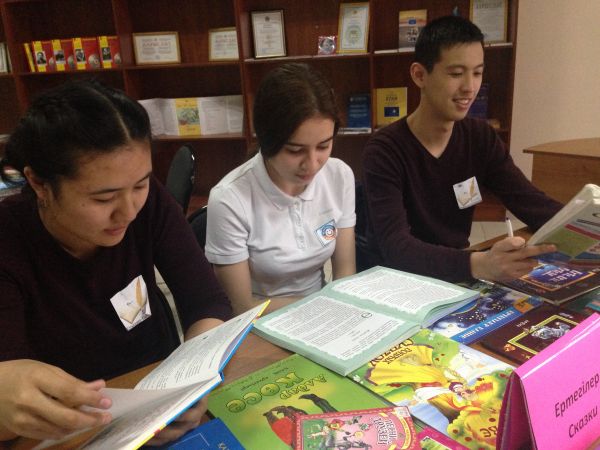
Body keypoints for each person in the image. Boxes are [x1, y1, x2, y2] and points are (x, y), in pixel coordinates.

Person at [0, 80, 231, 444]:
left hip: (157, 391)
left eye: (140, 184)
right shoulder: (9, 244)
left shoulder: (148, 202)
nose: (128, 212)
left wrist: (194, 381)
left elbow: (206, 302)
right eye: (103, 198)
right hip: (70, 429)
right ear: (39, 184)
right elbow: (12, 399)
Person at [362, 15, 563, 283]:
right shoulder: (385, 151)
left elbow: (530, 202)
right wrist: (479, 264)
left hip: (456, 275)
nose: (470, 88)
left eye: (477, 73)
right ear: (420, 75)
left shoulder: (480, 138)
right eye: (456, 74)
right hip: (396, 281)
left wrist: (585, 225)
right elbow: (397, 248)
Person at [205, 63, 356, 314]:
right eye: (295, 151)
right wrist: (322, 305)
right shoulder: (229, 199)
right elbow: (240, 307)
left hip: (325, 313)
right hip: (260, 320)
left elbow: (345, 275)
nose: (313, 164)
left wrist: (338, 309)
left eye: (323, 146)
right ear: (267, 140)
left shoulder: (339, 176)